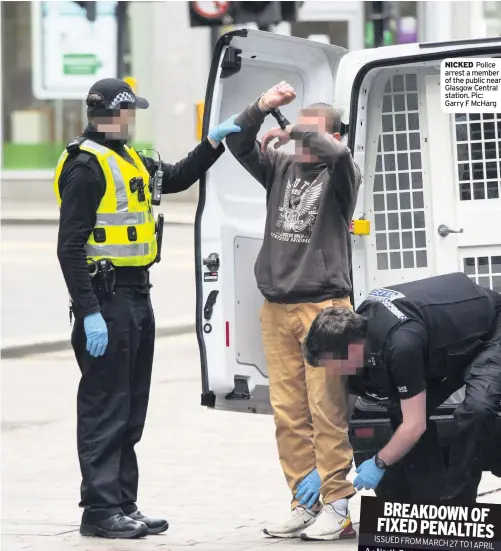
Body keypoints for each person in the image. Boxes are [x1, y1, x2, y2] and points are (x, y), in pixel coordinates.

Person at [53, 78, 240, 539]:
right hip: (107, 300)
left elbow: (174, 178)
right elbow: (69, 247)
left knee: (131, 408)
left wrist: (213, 143)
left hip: (137, 295)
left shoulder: (131, 158)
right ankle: (99, 510)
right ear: (113, 114)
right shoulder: (86, 166)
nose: (133, 119)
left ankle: (122, 503)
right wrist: (89, 310)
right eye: (129, 112)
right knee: (105, 407)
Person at [225, 81, 361, 541]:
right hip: (277, 307)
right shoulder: (281, 166)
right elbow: (237, 142)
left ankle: (338, 505)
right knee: (288, 412)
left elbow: (337, 156)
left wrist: (296, 131)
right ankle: (304, 502)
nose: (301, 139)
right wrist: (262, 108)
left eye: (312, 131)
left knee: (329, 410)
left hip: (328, 310)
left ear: (332, 136)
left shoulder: (343, 172)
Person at [303, 272, 501, 503]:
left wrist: (379, 462)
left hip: (491, 329)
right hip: (446, 343)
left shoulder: (400, 344)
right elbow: (342, 418)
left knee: (476, 410)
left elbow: (414, 425)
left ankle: (458, 508)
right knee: (398, 409)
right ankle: (428, 503)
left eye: (332, 364)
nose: (332, 372)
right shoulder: (352, 336)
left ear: (353, 349)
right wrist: (327, 468)